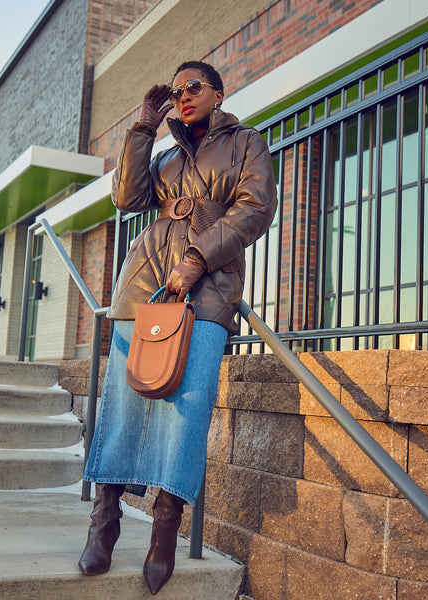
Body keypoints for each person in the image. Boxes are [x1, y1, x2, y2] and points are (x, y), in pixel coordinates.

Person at [78, 60, 277, 595]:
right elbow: (125, 198)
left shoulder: (245, 143)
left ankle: (165, 530)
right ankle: (105, 519)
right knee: (123, 403)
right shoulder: (163, 155)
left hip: (207, 286)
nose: (183, 94)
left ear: (217, 94)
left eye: (194, 87)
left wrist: (198, 256)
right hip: (145, 282)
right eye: (176, 89)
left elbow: (256, 209)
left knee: (187, 409)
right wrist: (142, 127)